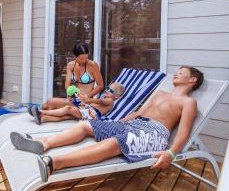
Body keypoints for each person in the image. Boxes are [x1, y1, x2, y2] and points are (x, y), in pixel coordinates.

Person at [11, 66, 204, 182]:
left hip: (154, 132)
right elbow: (138, 112)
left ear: (192, 79)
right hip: (133, 124)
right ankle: (44, 143)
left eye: (181, 73)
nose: (176, 75)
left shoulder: (188, 102)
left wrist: (171, 153)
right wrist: (118, 122)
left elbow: (183, 132)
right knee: (87, 126)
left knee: (115, 143)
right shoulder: (161, 93)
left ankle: (54, 163)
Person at [42, 42, 105, 110]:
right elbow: (67, 84)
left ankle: (39, 113)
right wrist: (70, 93)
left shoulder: (93, 65)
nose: (84, 60)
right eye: (81, 59)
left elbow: (100, 86)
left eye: (86, 57)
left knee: (50, 102)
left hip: (85, 101)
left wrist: (87, 96)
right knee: (46, 105)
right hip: (73, 99)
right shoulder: (70, 65)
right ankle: (41, 115)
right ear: (75, 56)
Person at [29, 82, 125, 124]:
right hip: (87, 109)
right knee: (67, 115)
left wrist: (88, 99)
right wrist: (82, 99)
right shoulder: (106, 98)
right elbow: (92, 103)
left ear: (116, 97)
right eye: (108, 88)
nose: (107, 91)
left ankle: (41, 112)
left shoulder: (110, 101)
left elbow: (99, 101)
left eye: (111, 91)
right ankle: (43, 119)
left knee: (68, 109)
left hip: (91, 114)